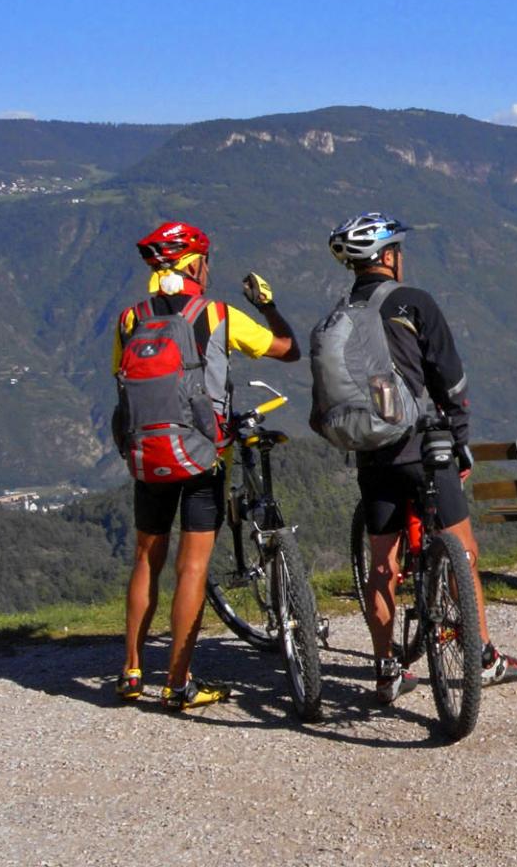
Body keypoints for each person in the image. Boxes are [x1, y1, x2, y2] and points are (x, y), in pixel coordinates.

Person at [324, 213, 517, 704]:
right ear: (389, 257)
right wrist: (459, 439)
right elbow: (450, 380)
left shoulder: (338, 316)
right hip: (424, 447)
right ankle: (483, 657)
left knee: (382, 566)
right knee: (464, 551)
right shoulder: (414, 302)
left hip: (373, 454)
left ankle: (386, 670)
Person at [113, 221, 300, 711]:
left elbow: (122, 379)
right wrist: (267, 306)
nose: (208, 266)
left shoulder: (130, 320)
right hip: (202, 457)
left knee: (145, 561)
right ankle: (178, 682)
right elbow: (287, 350)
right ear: (193, 262)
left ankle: (131, 670)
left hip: (148, 454)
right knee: (191, 566)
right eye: (205, 258)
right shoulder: (217, 313)